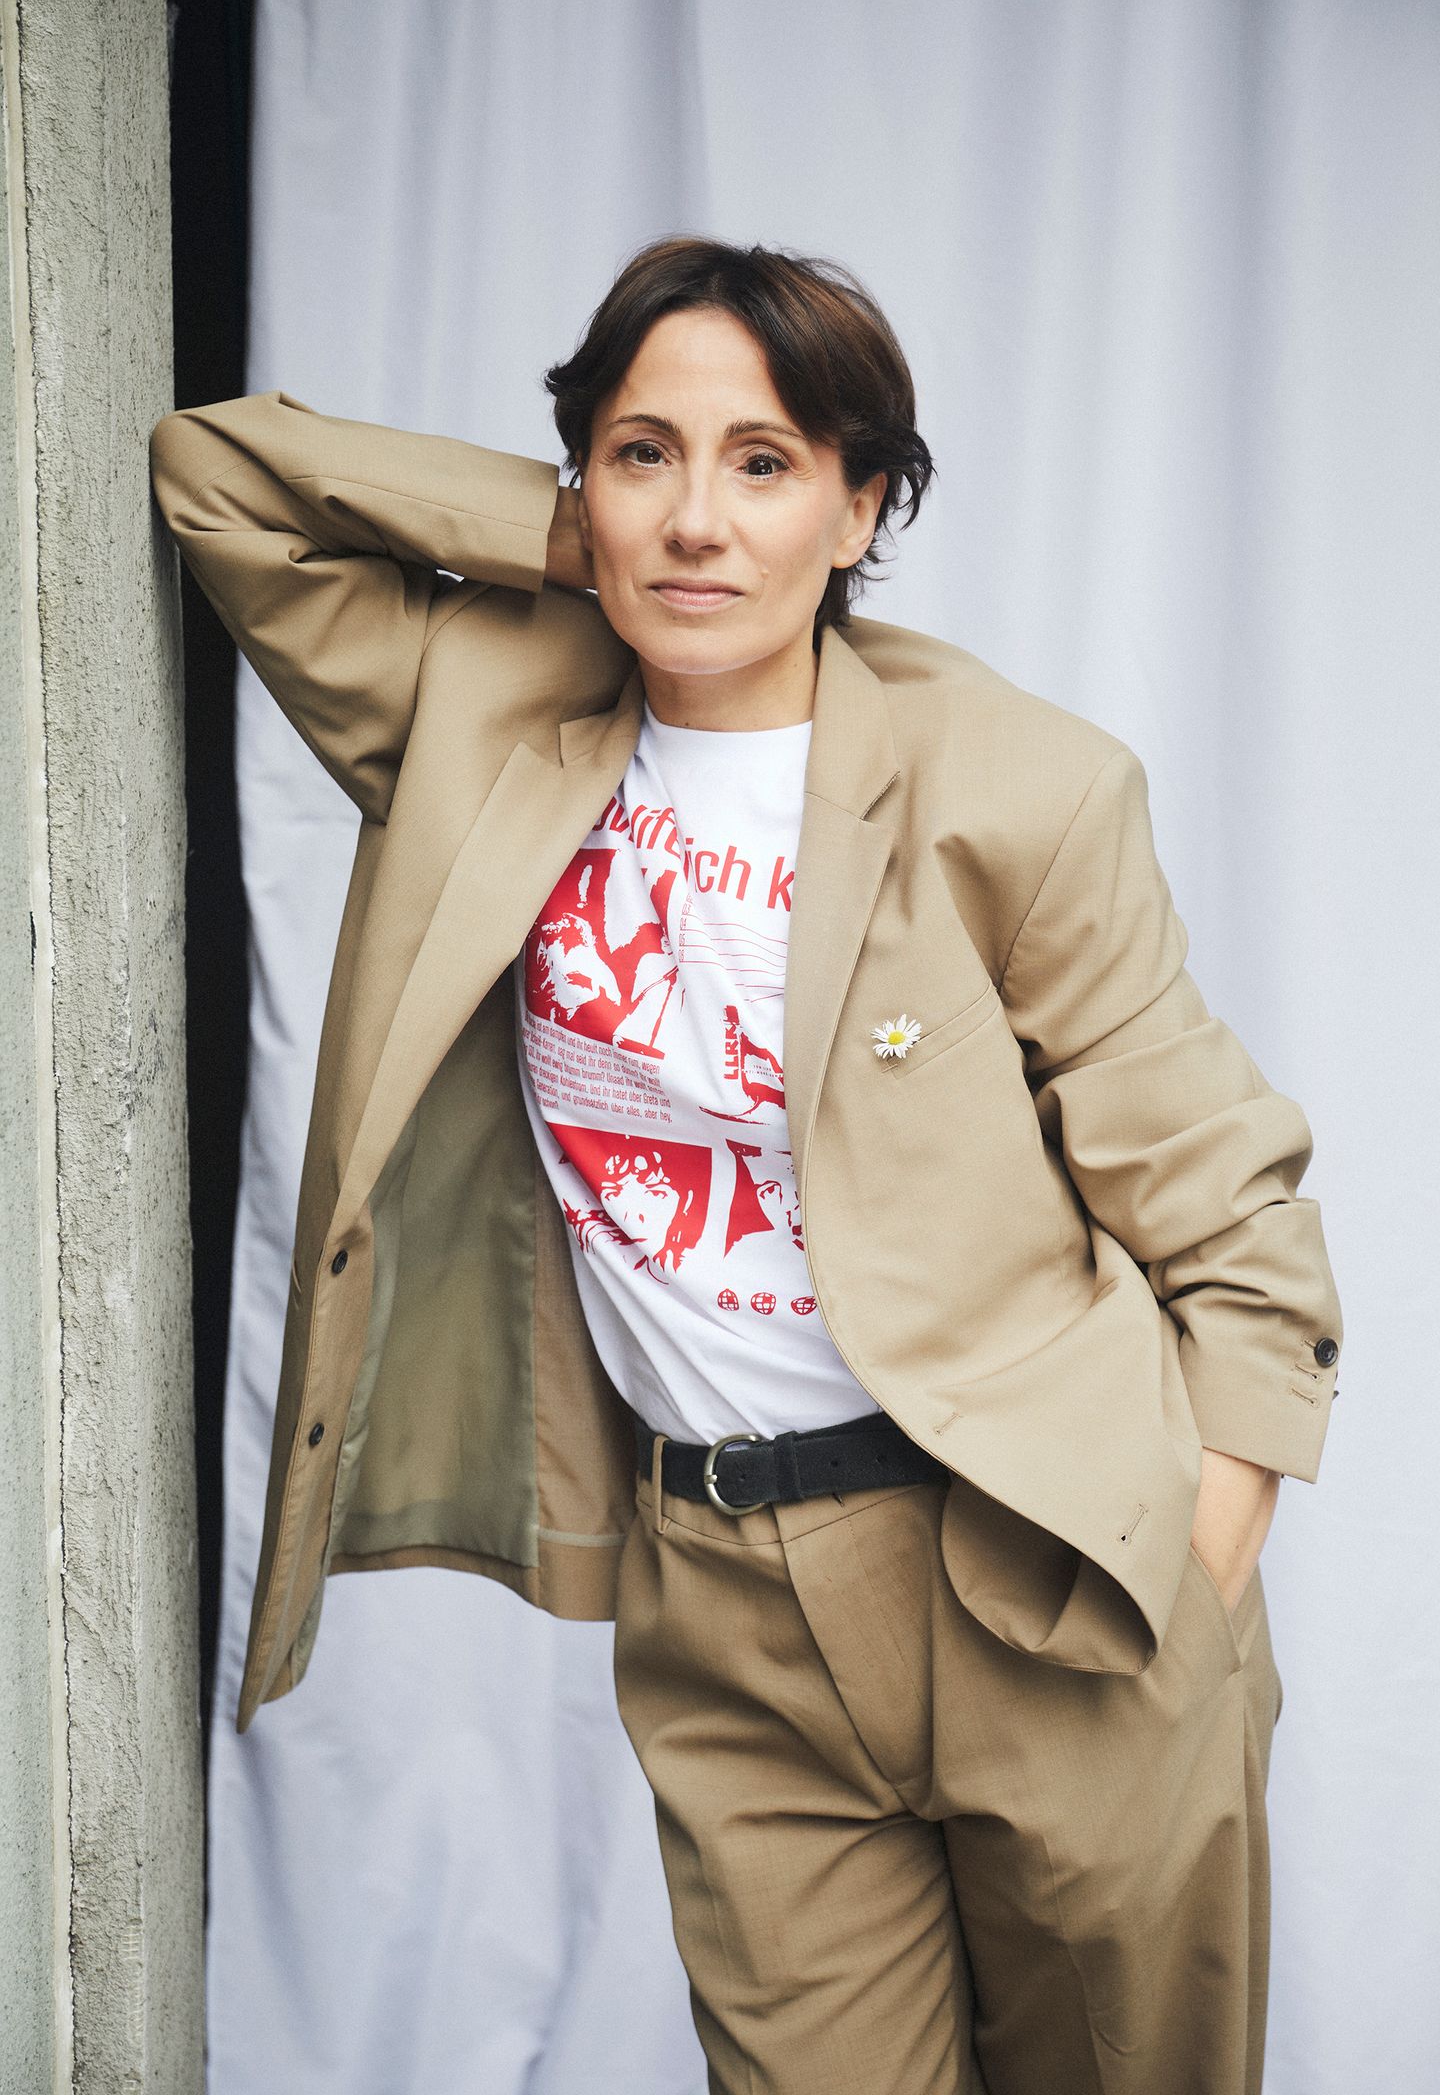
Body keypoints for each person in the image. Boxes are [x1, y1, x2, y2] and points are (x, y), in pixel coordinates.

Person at [149, 235, 1343, 2094]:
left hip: (1036, 1563)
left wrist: (1198, 1550)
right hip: (720, 1597)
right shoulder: (483, 718)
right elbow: (215, 476)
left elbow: (1224, 1197)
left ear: (862, 508)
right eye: (648, 454)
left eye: (766, 465)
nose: (700, 518)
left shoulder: (1014, 787)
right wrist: (578, 540)